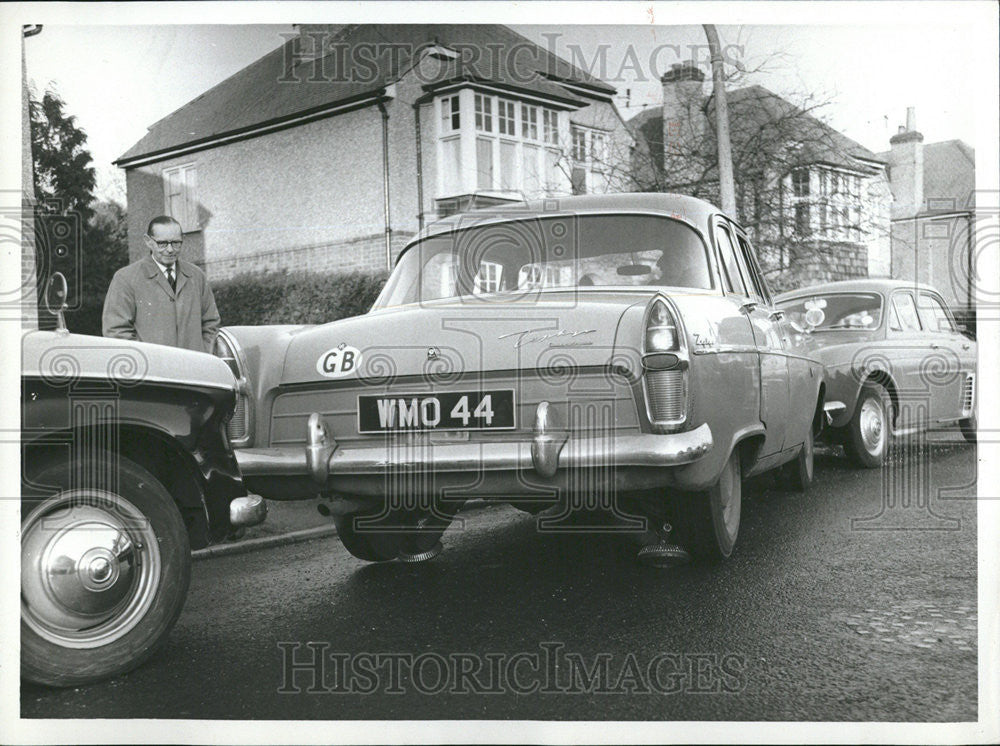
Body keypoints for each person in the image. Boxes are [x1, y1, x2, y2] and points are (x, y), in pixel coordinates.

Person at [103, 216, 220, 353]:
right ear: (148, 241)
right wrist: (149, 363)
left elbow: (211, 323)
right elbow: (116, 332)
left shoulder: (197, 276)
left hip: (194, 369)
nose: (170, 250)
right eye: (162, 243)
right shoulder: (125, 279)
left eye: (176, 243)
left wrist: (204, 355)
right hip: (152, 371)